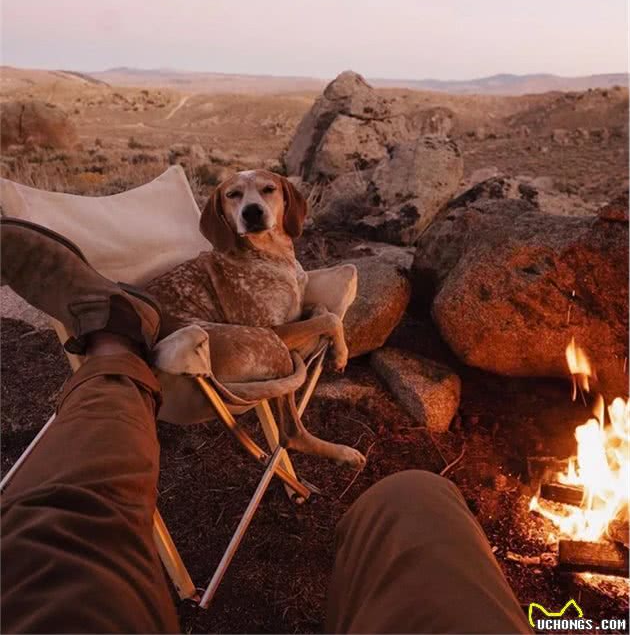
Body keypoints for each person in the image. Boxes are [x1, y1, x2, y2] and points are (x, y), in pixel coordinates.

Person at [0, 218, 530, 634]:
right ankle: (124, 340)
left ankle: (114, 345)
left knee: (53, 544)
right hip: (194, 372)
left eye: (267, 194)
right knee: (417, 494)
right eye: (237, 197)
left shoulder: (277, 257)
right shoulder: (228, 258)